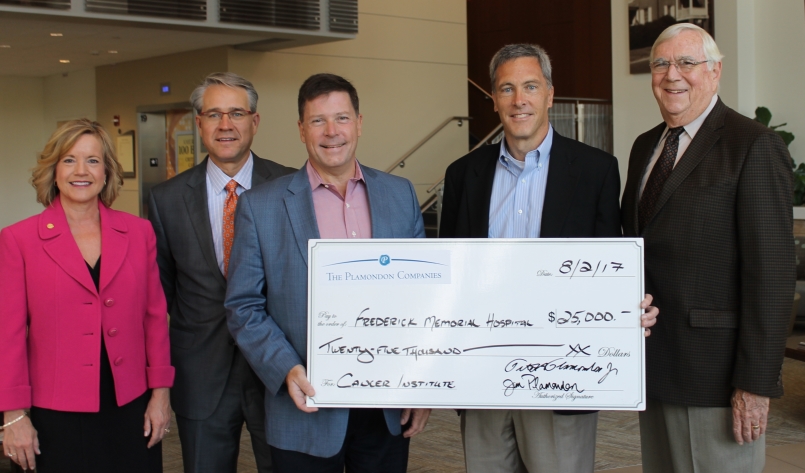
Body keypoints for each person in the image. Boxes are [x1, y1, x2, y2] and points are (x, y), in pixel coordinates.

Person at [440, 43, 658, 473]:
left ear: (550, 95)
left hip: (563, 377)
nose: (519, 99)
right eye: (506, 88)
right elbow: (449, 277)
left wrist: (629, 306)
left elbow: (608, 264)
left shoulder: (596, 170)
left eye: (530, 86)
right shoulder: (463, 175)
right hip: (483, 375)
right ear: (494, 99)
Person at [224, 73, 430, 472]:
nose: (331, 132)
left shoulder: (400, 194)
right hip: (306, 404)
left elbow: (425, 299)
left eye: (342, 118)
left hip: (386, 406)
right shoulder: (261, 206)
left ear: (359, 122)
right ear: (301, 130)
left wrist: (422, 387)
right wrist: (286, 367)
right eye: (318, 121)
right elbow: (243, 306)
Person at [620, 23, 794, 473]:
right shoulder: (645, 147)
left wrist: (755, 383)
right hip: (652, 363)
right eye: (661, 64)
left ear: (715, 72)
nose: (672, 74)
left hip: (715, 377)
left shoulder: (753, 145)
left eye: (687, 63)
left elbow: (772, 275)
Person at [0, 119, 174, 472]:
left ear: (107, 171)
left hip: (131, 405)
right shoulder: (18, 240)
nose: (81, 171)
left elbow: (154, 318)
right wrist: (13, 415)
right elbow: (9, 335)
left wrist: (160, 393)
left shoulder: (139, 232)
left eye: (93, 161)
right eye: (69, 160)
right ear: (53, 169)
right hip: (56, 413)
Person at [148, 72, 294, 473]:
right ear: (199, 123)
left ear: (255, 121)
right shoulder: (166, 200)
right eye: (213, 114)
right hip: (201, 373)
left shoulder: (291, 185)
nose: (225, 125)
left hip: (279, 370)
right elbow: (161, 295)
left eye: (236, 113)